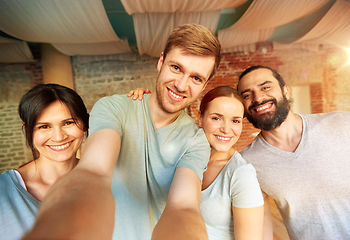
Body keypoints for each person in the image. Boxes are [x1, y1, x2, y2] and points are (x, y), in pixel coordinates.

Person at [23, 23, 221, 240]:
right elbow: (94, 171)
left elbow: (183, 207)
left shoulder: (196, 140)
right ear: (161, 61)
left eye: (196, 78)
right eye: (176, 68)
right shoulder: (113, 108)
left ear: (205, 84)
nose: (181, 85)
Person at [129, 86, 265, 240]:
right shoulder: (181, 153)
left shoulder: (241, 174)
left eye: (235, 121)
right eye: (216, 118)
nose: (226, 129)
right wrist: (143, 102)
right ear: (200, 118)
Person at [237, 65, 350, 240]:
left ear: (285, 91)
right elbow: (261, 228)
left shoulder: (342, 123)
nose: (258, 98)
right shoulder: (247, 163)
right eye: (247, 94)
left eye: (265, 87)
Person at [0, 83, 89, 240]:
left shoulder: (110, 180)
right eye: (44, 126)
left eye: (68, 123)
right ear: (27, 129)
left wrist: (142, 104)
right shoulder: (4, 192)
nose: (58, 137)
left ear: (84, 123)